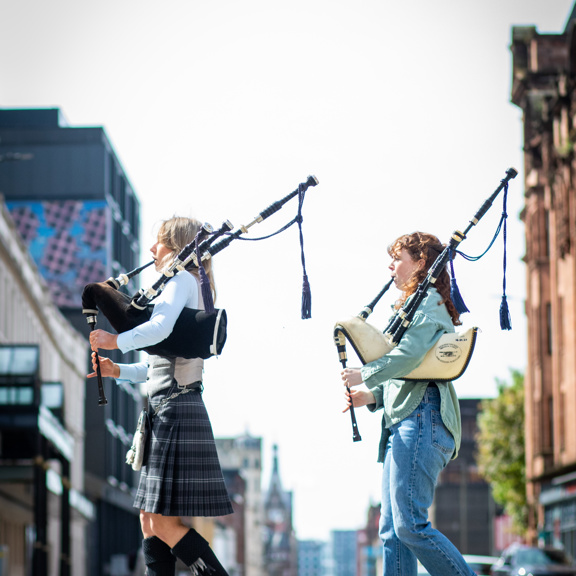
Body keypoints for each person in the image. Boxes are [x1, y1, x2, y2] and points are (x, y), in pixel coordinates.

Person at [88, 216, 233, 576]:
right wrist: (118, 370)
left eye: (159, 243)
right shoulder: (190, 285)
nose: (152, 249)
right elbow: (159, 366)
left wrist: (116, 341)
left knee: (163, 525)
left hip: (175, 409)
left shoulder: (181, 279)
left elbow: (157, 329)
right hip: (168, 408)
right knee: (149, 522)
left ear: (179, 247)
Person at [342, 231, 475, 576]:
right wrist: (370, 396)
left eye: (398, 258)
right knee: (392, 533)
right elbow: (408, 372)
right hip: (406, 421)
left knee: (409, 526)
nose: (391, 266)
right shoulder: (412, 306)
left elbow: (409, 356)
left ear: (420, 263)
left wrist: (367, 373)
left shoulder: (428, 300)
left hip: (422, 419)